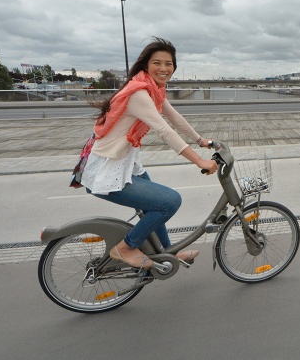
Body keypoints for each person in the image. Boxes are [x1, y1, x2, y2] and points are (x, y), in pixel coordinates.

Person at [81, 37, 218, 269]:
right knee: (170, 202)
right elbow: (165, 130)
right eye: (157, 63)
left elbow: (175, 118)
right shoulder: (139, 94)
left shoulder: (153, 90)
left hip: (126, 165)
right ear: (146, 65)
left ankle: (166, 253)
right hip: (107, 171)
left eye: (169, 64)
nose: (164, 69)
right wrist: (199, 161)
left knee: (154, 205)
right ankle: (125, 247)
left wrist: (201, 140)